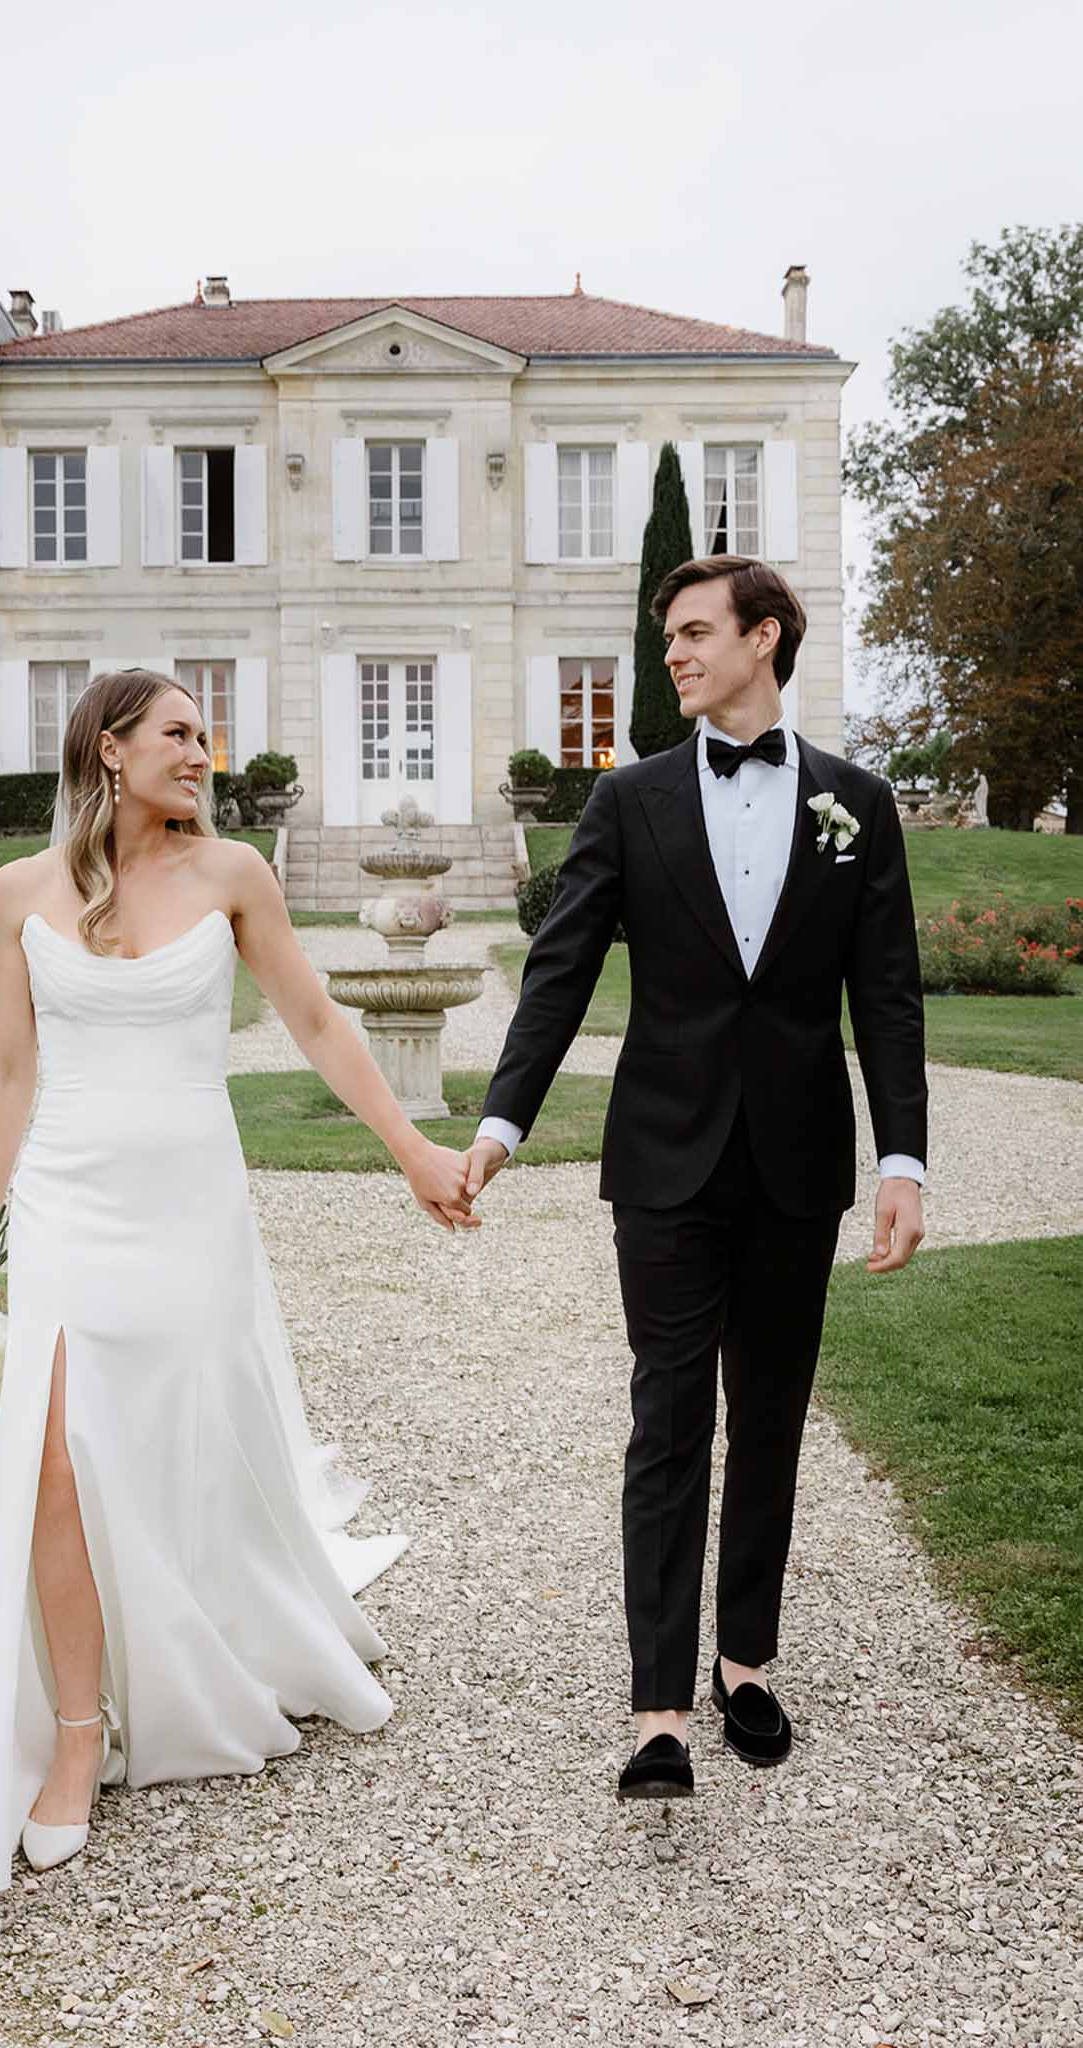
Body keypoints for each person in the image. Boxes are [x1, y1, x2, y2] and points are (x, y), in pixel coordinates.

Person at [0, 669, 476, 1894]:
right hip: (69, 1204)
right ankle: (79, 1727)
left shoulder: (235, 874)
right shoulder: (17, 891)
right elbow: (7, 1068)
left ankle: (207, 1638)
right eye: (178, 733)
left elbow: (320, 1021)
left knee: (183, 1438)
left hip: (192, 1206)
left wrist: (411, 1149)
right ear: (110, 748)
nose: (202, 752)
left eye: (204, 734)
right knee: (56, 1457)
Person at [463, 558, 926, 1798]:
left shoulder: (855, 804)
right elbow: (558, 972)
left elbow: (883, 994)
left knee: (769, 1414)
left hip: (794, 1161)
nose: (669, 653)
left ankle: (745, 1662)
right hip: (661, 1162)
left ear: (761, 638)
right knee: (670, 1419)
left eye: (691, 632)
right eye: (667, 636)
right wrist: (502, 1124)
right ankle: (658, 1705)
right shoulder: (628, 798)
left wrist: (900, 1158)